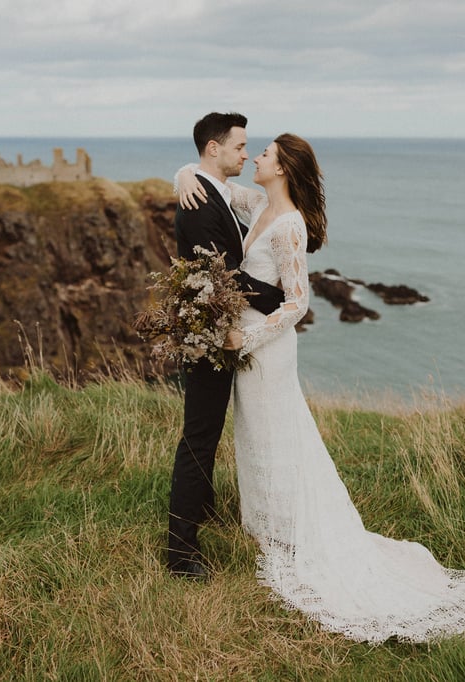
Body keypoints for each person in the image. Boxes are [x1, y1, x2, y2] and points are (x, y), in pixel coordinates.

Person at [174, 134, 465, 642]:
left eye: (264, 154)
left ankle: (289, 536)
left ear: (283, 168)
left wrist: (243, 338)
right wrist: (183, 171)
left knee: (277, 436)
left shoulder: (288, 225)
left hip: (263, 350)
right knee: (258, 438)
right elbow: (214, 184)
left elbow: (298, 304)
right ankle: (267, 526)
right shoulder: (260, 203)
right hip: (244, 347)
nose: (256, 159)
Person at [166, 112, 286, 580]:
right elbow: (224, 277)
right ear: (213, 148)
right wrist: (281, 299)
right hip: (210, 339)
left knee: (207, 433)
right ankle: (180, 553)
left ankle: (205, 508)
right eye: (239, 146)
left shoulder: (210, 189)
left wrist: (183, 171)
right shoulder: (198, 202)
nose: (245, 153)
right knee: (198, 439)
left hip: (220, 333)